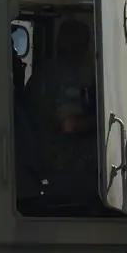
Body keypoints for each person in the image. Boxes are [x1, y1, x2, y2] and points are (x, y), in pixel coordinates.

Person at [24, 19, 98, 189]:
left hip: (41, 153)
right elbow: (69, 125)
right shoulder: (65, 77)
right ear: (83, 48)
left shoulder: (44, 72)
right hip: (59, 159)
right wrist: (101, 120)